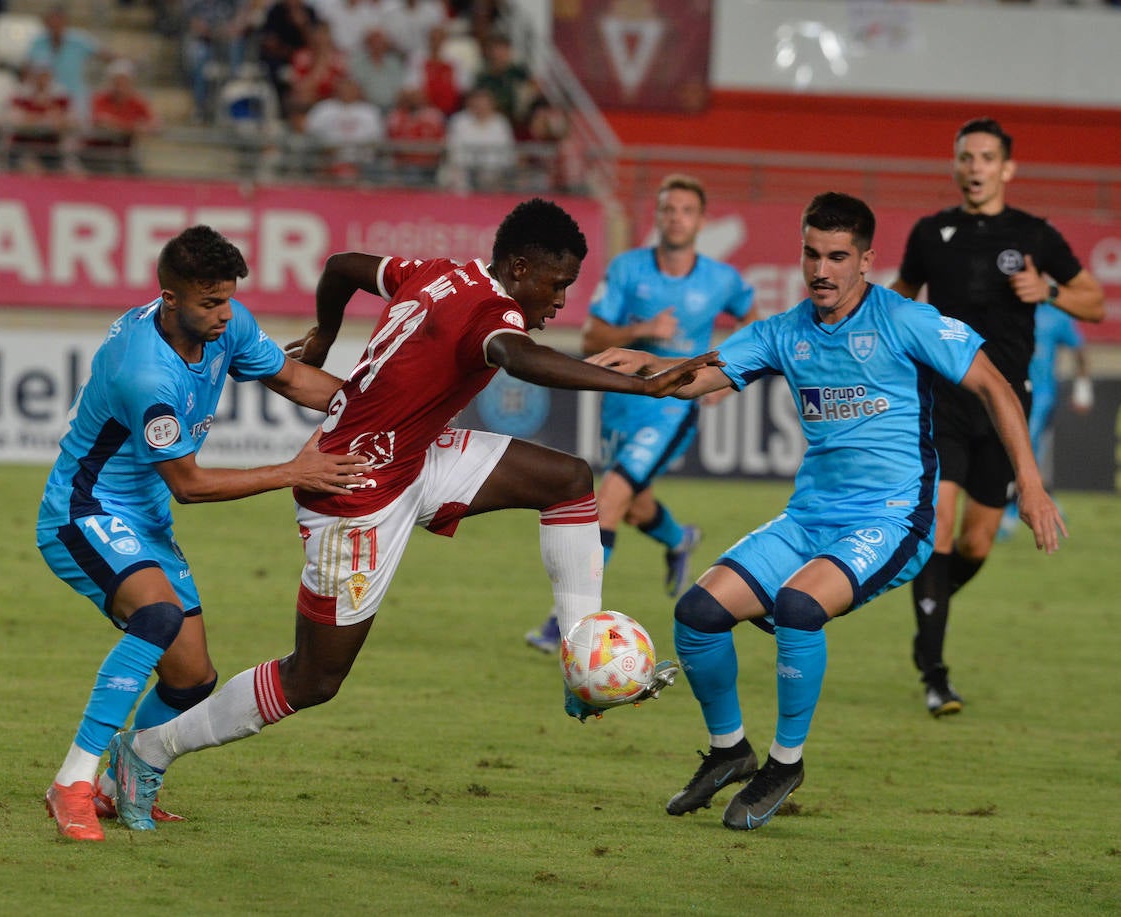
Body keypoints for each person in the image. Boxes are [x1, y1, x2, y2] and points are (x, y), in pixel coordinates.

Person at [102, 198, 720, 832]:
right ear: (519, 266)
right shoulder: (493, 312)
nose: (560, 302)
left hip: (412, 456)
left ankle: (580, 659)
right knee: (312, 679)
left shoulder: (437, 270)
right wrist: (643, 384)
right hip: (357, 490)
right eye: (557, 284)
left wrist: (323, 334)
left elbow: (341, 266)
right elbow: (515, 356)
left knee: (568, 481)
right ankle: (145, 753)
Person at [591, 191, 1063, 831]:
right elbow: (703, 375)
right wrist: (645, 369)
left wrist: (1028, 483)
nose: (822, 269)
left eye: (838, 256)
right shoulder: (786, 332)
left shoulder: (906, 320)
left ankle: (785, 763)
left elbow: (994, 385)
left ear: (866, 260)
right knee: (697, 614)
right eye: (812, 253)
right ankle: (730, 751)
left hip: (894, 518)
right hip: (811, 516)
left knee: (797, 607)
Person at [38, 225, 373, 841]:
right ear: (170, 298)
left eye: (227, 299)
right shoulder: (146, 374)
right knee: (159, 618)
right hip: (84, 512)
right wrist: (295, 471)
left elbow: (297, 381)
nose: (224, 315)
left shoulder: (229, 322)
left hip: (143, 519)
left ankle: (114, 789)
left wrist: (387, 411)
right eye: (209, 303)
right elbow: (190, 485)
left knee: (191, 679)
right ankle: (72, 782)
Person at [889, 117, 1103, 716]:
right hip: (945, 400)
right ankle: (936, 672)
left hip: (1007, 404)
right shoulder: (931, 233)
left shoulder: (1035, 234)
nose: (974, 167)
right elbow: (899, 296)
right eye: (965, 157)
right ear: (955, 166)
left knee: (977, 543)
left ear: (1007, 168)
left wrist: (1051, 293)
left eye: (986, 158)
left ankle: (930, 613)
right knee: (940, 526)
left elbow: (1095, 301)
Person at [524, 174, 753, 654]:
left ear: (701, 221)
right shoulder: (628, 269)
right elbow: (591, 339)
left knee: (606, 502)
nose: (676, 218)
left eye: (686, 211)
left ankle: (566, 624)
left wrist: (727, 379)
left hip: (672, 407)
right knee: (632, 507)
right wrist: (645, 328)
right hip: (621, 402)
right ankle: (679, 538)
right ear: (658, 216)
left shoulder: (722, 279)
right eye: (668, 209)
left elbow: (753, 322)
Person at [998, 305, 1092, 540]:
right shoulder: (1002, 306)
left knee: (1023, 447)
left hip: (1040, 395)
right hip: (1007, 389)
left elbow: (1079, 347)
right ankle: (1048, 501)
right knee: (1027, 449)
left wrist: (1083, 388)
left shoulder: (1054, 314)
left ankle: (1011, 513)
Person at [85, 58, 159, 174]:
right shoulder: (99, 99)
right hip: (97, 152)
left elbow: (154, 123)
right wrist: (133, 128)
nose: (120, 86)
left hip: (124, 152)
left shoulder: (137, 101)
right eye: (116, 82)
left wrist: (123, 126)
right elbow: (101, 122)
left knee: (139, 176)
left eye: (124, 81)